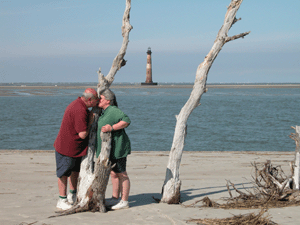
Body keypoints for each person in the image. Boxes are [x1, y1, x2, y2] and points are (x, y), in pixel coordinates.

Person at [54, 88, 99, 210]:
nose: (97, 102)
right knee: (63, 173)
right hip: (66, 147)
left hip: (75, 148)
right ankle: (62, 199)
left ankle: (72, 195)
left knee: (74, 171)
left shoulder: (80, 105)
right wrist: (90, 122)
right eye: (96, 100)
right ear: (89, 100)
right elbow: (82, 134)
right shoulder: (79, 109)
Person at [96, 89, 131, 210]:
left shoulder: (113, 110)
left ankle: (124, 201)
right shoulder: (104, 111)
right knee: (113, 173)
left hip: (118, 148)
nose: (98, 100)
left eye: (101, 98)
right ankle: (115, 197)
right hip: (109, 149)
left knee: (122, 174)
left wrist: (112, 127)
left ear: (108, 100)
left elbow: (126, 120)